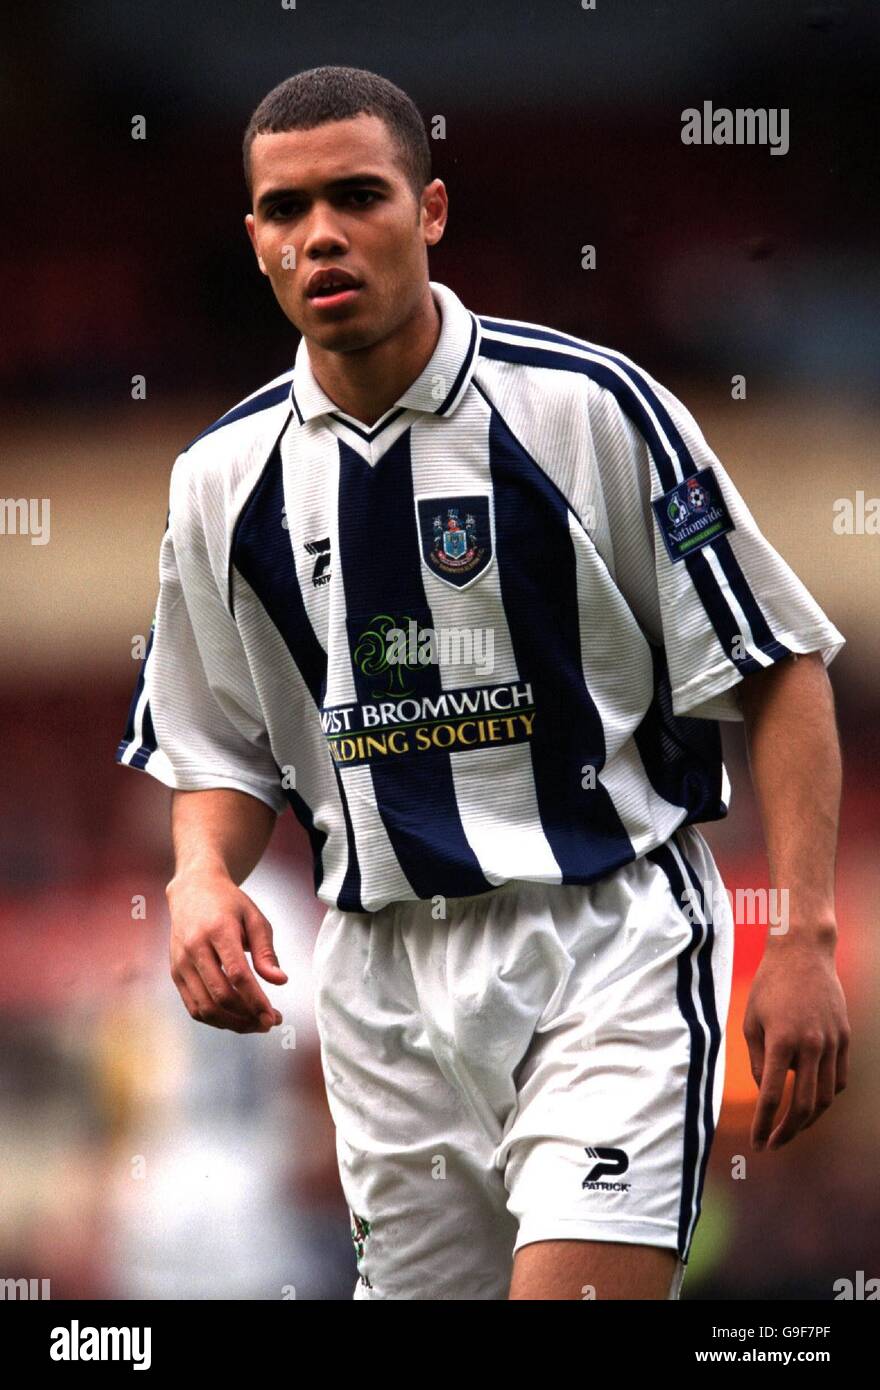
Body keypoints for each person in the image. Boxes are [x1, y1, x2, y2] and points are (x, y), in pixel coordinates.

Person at [115, 65, 850, 1300]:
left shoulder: (586, 408)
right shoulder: (217, 480)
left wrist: (806, 937)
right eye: (287, 211)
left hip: (599, 951)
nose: (322, 234)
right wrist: (199, 878)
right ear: (254, 240)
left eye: (359, 196)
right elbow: (217, 752)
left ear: (431, 210)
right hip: (379, 995)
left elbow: (776, 664)